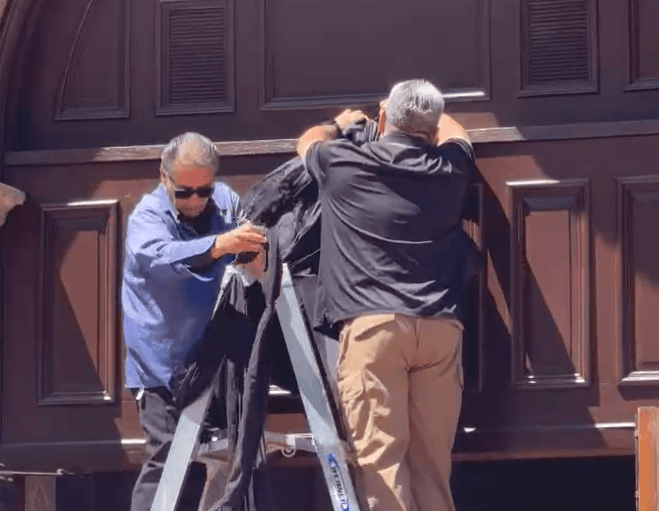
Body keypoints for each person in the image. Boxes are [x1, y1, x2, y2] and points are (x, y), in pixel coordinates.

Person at [296, 80, 478, 511]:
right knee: (433, 468)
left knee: (381, 467)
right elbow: (458, 133)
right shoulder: (448, 168)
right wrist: (427, 120)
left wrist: (339, 123)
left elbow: (305, 141)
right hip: (438, 328)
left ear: (384, 118)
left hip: (373, 329)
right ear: (430, 129)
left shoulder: (342, 164)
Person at [121, 132, 267, 511]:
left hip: (217, 361)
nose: (195, 201)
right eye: (184, 192)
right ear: (163, 176)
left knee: (227, 461)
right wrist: (219, 245)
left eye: (203, 190)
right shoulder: (147, 217)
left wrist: (257, 257)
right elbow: (163, 259)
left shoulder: (225, 203)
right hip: (165, 368)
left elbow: (248, 253)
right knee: (168, 464)